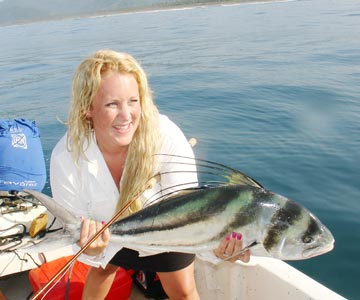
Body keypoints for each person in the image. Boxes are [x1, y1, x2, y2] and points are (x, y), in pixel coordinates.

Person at [50, 49, 250, 300]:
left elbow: (191, 215)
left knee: (182, 290)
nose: (126, 116)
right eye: (112, 104)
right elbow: (76, 225)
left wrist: (216, 249)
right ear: (87, 109)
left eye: (133, 101)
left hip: (169, 230)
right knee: (102, 270)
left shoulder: (166, 137)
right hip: (106, 233)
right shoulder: (66, 157)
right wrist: (90, 249)